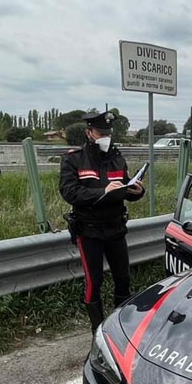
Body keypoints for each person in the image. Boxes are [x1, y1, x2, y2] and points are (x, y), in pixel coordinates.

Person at [59, 111, 144, 332]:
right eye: (100, 132)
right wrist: (101, 192)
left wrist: (136, 191)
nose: (105, 136)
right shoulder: (74, 158)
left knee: (123, 279)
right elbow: (69, 192)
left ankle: (120, 329)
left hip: (116, 228)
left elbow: (125, 189)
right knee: (94, 283)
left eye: (108, 132)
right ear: (89, 133)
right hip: (89, 232)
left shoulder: (117, 157)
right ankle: (98, 331)